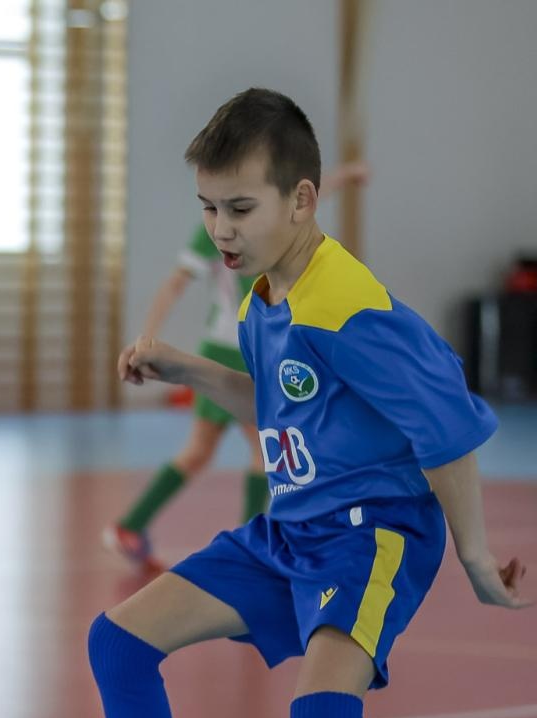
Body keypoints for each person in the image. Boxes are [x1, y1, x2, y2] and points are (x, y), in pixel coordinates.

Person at [48, 88, 528, 718]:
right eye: (208, 209)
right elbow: (278, 410)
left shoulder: (346, 303)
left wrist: (472, 560)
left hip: (371, 540)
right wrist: (189, 369)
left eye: (240, 209)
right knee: (119, 641)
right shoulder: (269, 290)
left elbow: (451, 431)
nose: (220, 230)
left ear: (301, 201)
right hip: (288, 531)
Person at [106, 163, 371, 572]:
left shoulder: (261, 220)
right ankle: (250, 549)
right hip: (237, 351)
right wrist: (147, 341)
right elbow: (175, 283)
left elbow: (302, 199)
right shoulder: (219, 230)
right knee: (263, 453)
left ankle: (130, 526)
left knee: (200, 451)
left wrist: (344, 177)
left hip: (231, 348)